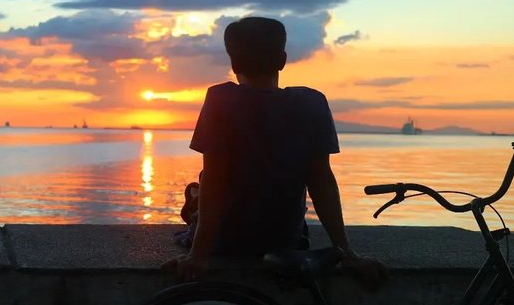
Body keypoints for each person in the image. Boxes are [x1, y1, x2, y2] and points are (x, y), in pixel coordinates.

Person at [164, 16, 386, 288]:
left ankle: (194, 202)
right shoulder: (313, 103)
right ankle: (195, 199)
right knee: (206, 190)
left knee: (201, 191)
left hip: (227, 241)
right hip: (286, 242)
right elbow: (321, 181)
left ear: (233, 64)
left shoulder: (220, 99)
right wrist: (348, 253)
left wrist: (198, 255)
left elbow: (215, 178)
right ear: (282, 60)